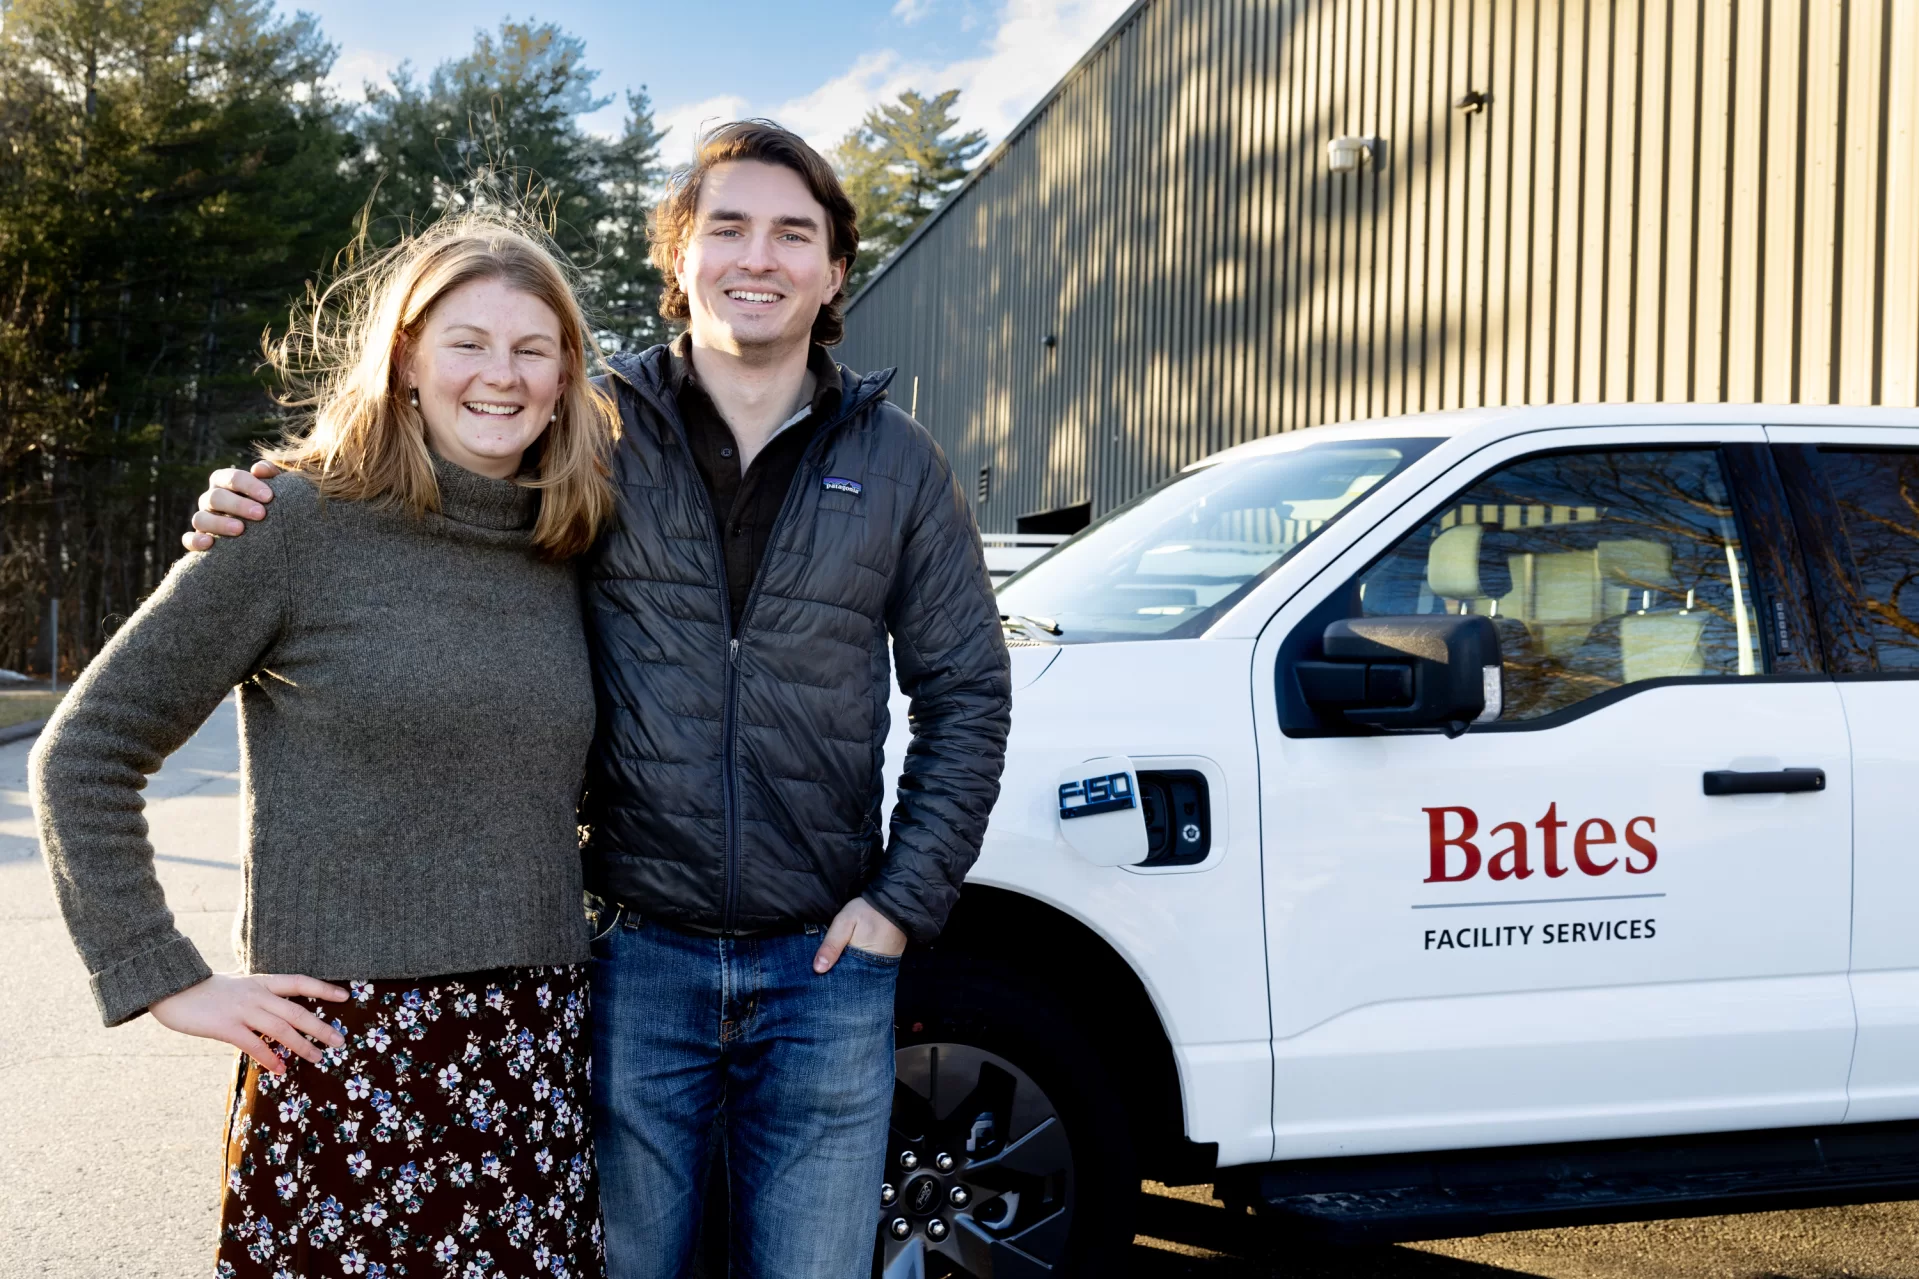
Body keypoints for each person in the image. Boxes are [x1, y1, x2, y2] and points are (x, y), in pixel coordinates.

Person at [187, 120, 1014, 1278]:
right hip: (631, 961)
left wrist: (896, 903)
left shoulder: (899, 462)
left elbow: (966, 694)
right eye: (725, 226)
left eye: (793, 232)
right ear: (677, 258)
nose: (756, 257)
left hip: (823, 968)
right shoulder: (589, 433)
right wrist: (269, 498)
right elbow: (423, 486)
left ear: (835, 270)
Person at [39, 215, 617, 1278]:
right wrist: (162, 975)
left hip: (533, 1053)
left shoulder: (574, 539)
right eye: (467, 343)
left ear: (566, 375)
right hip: (344, 1058)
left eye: (533, 349)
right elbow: (86, 751)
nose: (501, 375)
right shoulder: (294, 520)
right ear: (404, 359)